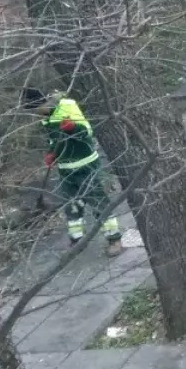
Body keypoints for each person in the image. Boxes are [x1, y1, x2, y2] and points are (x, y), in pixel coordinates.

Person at [22, 88, 122, 257]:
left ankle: (114, 239)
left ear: (41, 104)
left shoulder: (67, 110)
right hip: (66, 171)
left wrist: (73, 128)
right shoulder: (47, 119)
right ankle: (77, 240)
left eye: (34, 110)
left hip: (86, 167)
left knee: (99, 203)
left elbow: (86, 134)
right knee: (72, 206)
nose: (34, 114)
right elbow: (57, 141)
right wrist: (52, 153)